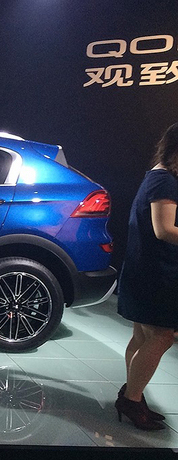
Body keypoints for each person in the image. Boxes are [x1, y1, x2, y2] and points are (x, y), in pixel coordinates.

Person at [115, 122, 178, 431]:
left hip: (145, 269)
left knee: (142, 337)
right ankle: (131, 398)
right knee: (162, 336)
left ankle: (133, 395)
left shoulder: (156, 175)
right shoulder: (164, 180)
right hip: (157, 273)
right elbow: (163, 229)